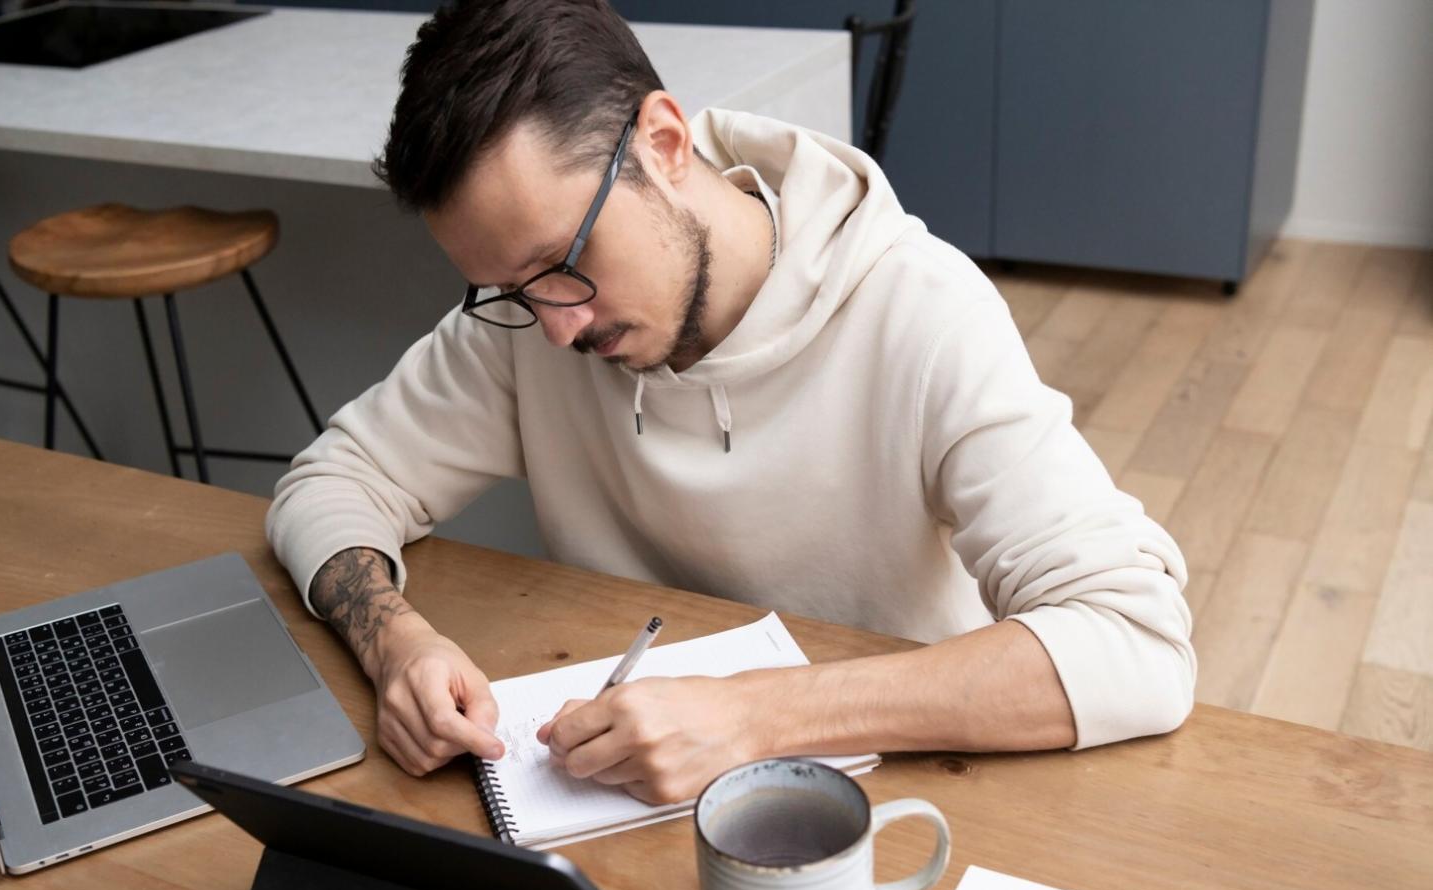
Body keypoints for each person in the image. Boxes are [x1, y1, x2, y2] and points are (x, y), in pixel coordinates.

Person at [267, 0, 1195, 804]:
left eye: (562, 265)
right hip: (615, 795)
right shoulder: (536, 323)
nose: (556, 328)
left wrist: (756, 714)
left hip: (900, 793)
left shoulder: (919, 310)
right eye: (511, 292)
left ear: (664, 145)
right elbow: (332, 479)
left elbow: (1135, 641)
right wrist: (394, 640)